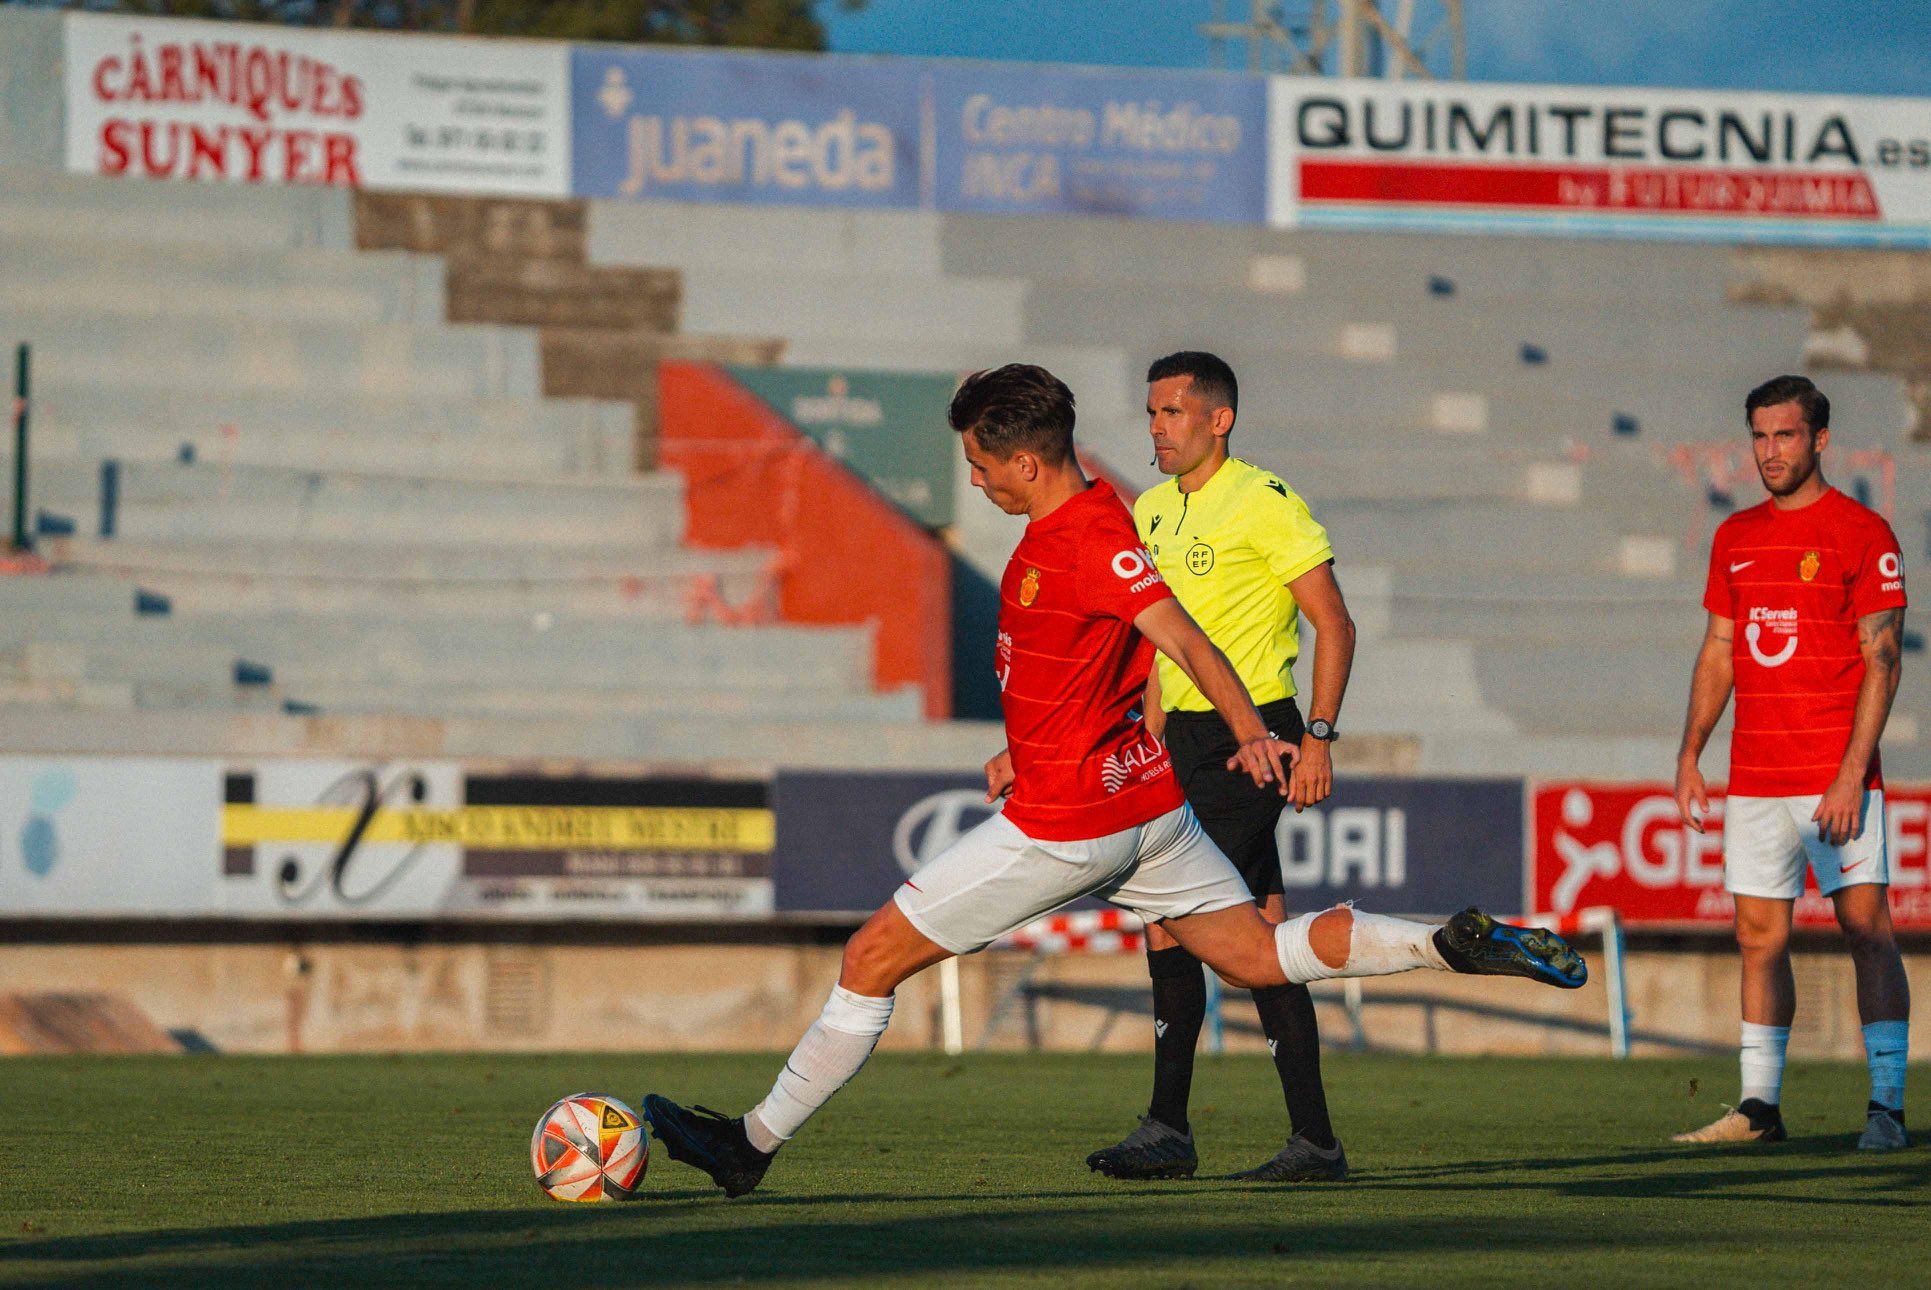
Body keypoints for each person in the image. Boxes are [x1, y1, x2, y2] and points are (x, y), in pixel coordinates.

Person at [643, 364, 1586, 1198]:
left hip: (1068, 823)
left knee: (869, 959)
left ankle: (748, 1145)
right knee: (1259, 956)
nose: (973, 479)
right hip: (1150, 811)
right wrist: (1029, 738)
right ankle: (1449, 941)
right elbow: (1103, 656)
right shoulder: (1103, 516)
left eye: (979, 464)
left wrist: (1256, 732)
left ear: (1025, 463)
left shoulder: (1088, 539)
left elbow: (1181, 636)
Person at [1086, 351, 1356, 1184]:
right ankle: (1313, 1141)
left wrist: (1316, 738)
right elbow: (1158, 639)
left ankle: (1168, 1127)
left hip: (1256, 739)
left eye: (1170, 412)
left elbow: (1334, 625)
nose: (1155, 427)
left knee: (1170, 915)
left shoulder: (1264, 501)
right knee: (1260, 939)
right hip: (1182, 742)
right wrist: (1145, 730)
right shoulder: (1155, 509)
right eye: (1151, 412)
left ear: (1217, 419)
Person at [1672, 375, 1910, 1152]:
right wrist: (1689, 754)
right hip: (1755, 778)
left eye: (1784, 435)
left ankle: (1885, 1108)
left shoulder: (1861, 532)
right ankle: (1758, 1108)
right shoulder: (1734, 536)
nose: (1769, 451)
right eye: (1759, 436)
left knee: (1866, 929)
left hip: (1835, 776)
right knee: (1756, 938)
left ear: (1818, 440)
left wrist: (1850, 772)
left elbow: (1882, 660)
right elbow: (1717, 649)